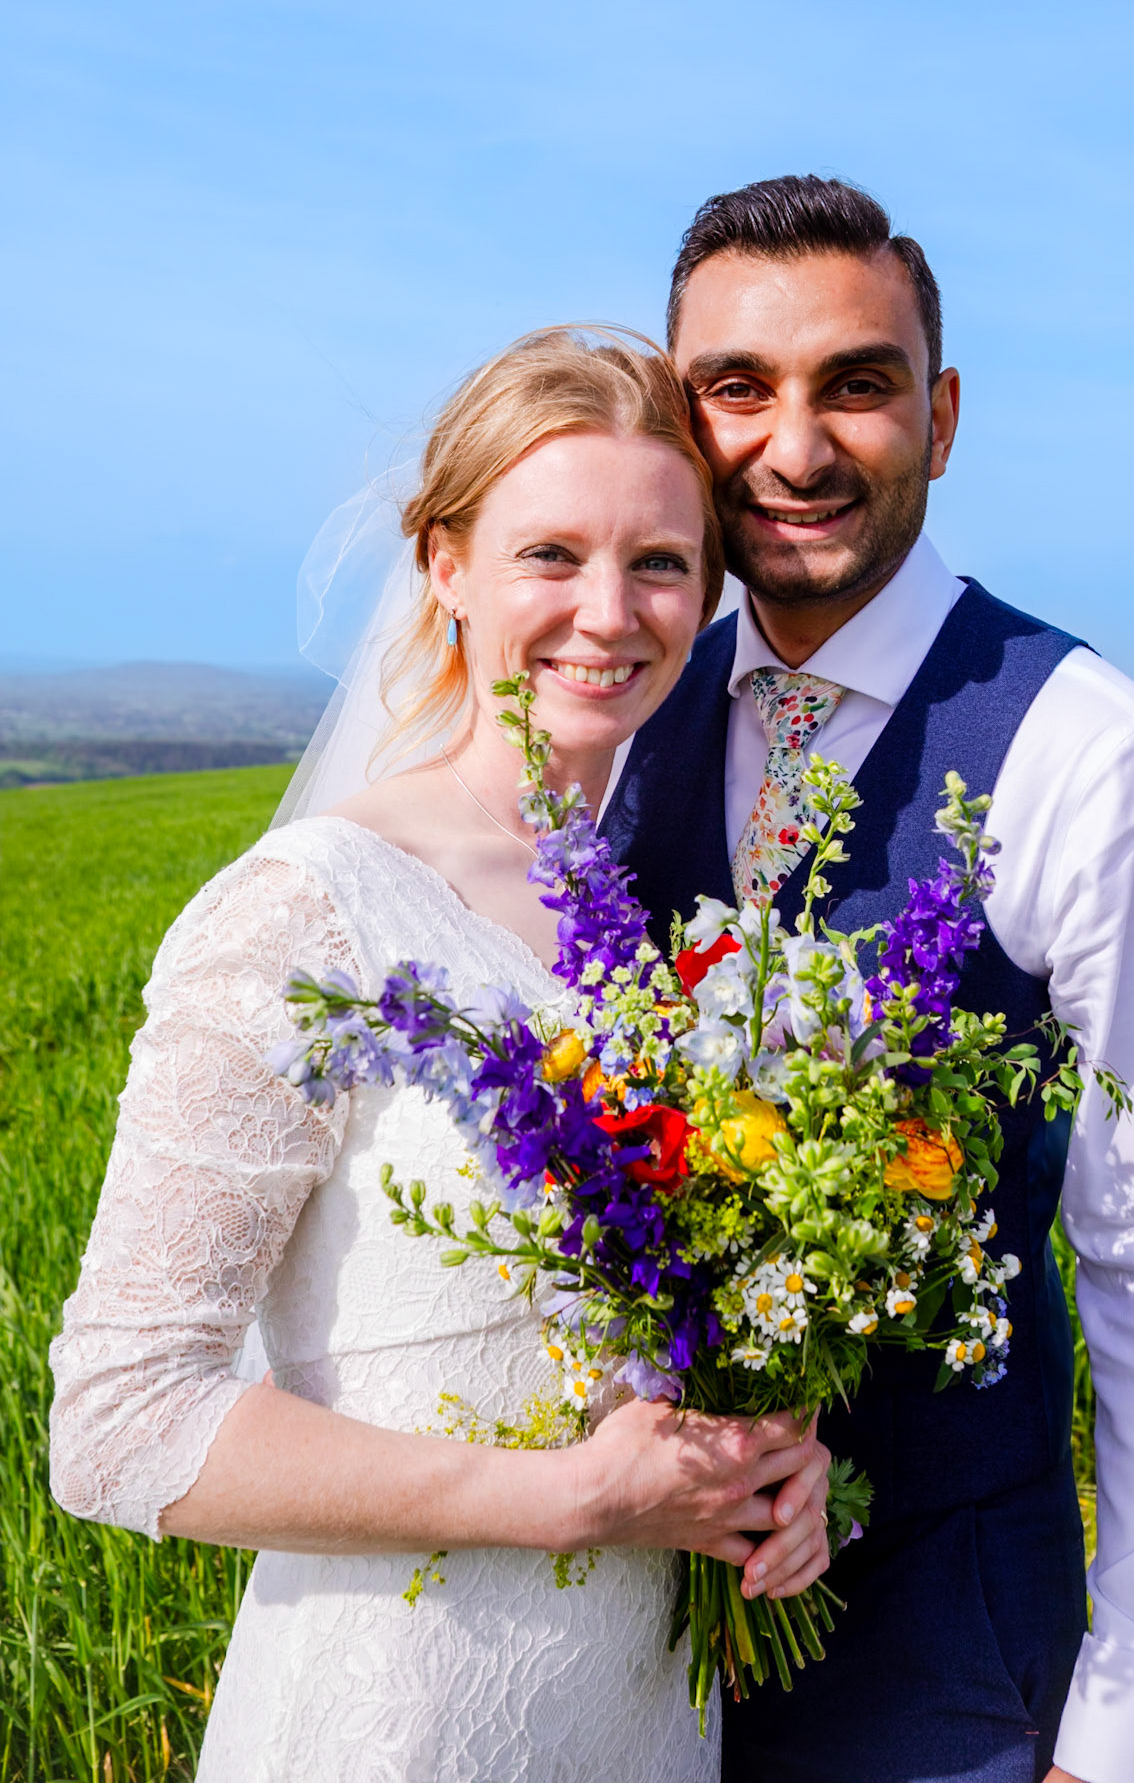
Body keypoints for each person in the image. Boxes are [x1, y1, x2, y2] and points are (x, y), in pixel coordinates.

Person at [48, 327, 832, 1783]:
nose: (609, 612)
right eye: (551, 554)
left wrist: (763, 1467)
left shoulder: (657, 946)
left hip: (640, 1715)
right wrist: (559, 1502)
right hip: (396, 1718)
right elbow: (117, 1423)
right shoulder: (307, 913)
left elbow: (659, 1344)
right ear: (445, 567)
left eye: (659, 564)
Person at [603, 178, 1134, 1783]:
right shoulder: (620, 706)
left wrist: (1125, 1710)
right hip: (620, 1641)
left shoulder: (1081, 748)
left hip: (953, 1658)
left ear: (941, 413)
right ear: (678, 417)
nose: (798, 447)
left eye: (858, 383)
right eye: (737, 389)